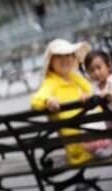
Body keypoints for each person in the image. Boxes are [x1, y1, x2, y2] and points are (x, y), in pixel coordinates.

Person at [30, 38, 94, 166]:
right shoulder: (50, 83)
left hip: (93, 135)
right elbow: (35, 100)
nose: (65, 59)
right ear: (50, 62)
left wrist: (86, 96)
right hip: (80, 147)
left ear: (74, 58)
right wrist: (47, 100)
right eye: (59, 56)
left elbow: (92, 91)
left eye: (68, 55)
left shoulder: (75, 77)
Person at [83, 49, 112, 159]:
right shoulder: (96, 87)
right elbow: (93, 96)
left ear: (108, 66)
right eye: (91, 70)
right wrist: (86, 98)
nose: (96, 73)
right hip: (111, 123)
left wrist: (109, 93)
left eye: (99, 67)